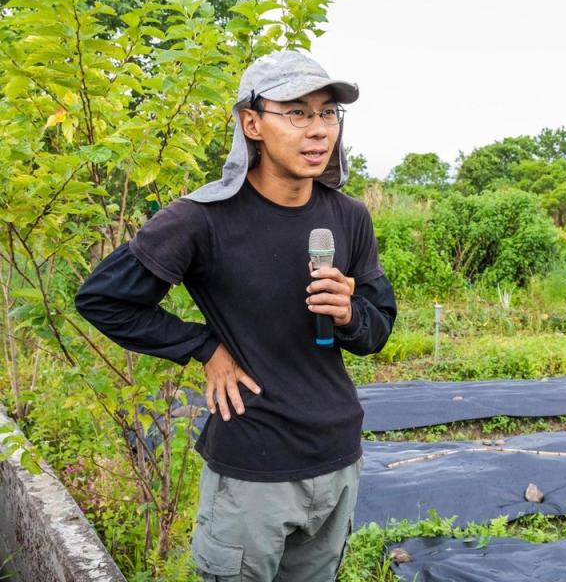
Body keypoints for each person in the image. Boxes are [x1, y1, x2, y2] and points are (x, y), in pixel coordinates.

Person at [75, 51, 396, 581]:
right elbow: (103, 299)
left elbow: (377, 327)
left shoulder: (348, 216)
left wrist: (349, 316)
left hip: (339, 458)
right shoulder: (201, 219)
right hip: (253, 470)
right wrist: (204, 347)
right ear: (252, 123)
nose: (318, 131)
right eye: (296, 112)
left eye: (327, 113)